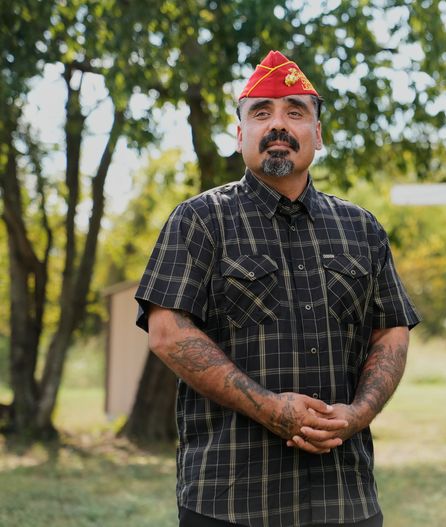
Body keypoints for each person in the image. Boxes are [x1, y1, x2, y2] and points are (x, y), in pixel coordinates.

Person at [135, 50, 420, 527]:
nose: (278, 125)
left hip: (344, 497)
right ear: (240, 133)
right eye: (261, 113)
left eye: (295, 112)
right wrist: (269, 408)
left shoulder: (362, 228)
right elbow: (167, 333)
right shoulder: (200, 221)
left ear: (318, 134)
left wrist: (358, 413)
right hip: (229, 499)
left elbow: (391, 332)